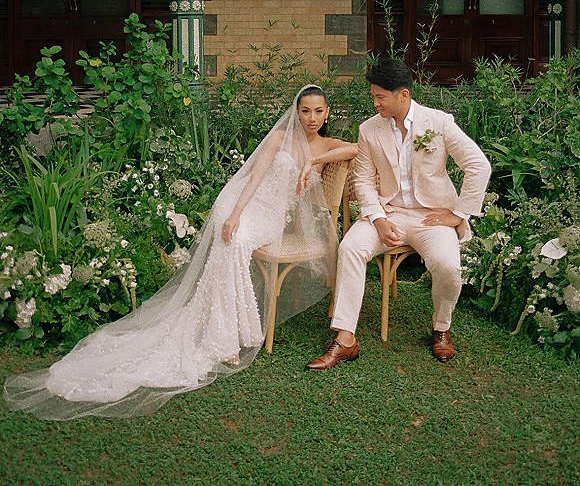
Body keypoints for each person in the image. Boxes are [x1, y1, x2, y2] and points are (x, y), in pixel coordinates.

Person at [3, 85, 357, 419]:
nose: (312, 118)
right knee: (231, 239)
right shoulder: (280, 138)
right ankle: (225, 335)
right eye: (305, 110)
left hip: (271, 218)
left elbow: (355, 149)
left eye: (318, 111)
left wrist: (311, 163)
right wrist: (235, 214)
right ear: (296, 112)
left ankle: (227, 333)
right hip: (244, 205)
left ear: (327, 114)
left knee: (236, 245)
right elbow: (252, 178)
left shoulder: (327, 145)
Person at [305, 60, 491, 369]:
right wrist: (377, 218)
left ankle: (441, 328)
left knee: (447, 264)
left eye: (380, 97)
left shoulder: (439, 123)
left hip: (432, 217)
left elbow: (478, 166)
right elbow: (363, 179)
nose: (375, 103)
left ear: (402, 94)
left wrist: (459, 214)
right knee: (350, 248)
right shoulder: (369, 129)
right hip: (387, 212)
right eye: (373, 96)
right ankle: (345, 338)